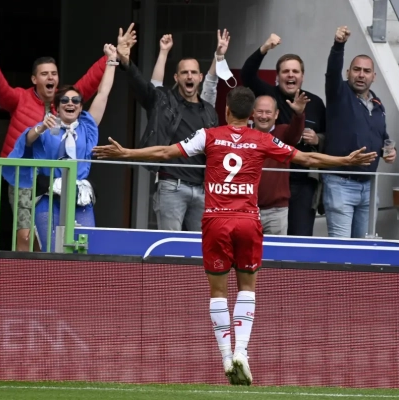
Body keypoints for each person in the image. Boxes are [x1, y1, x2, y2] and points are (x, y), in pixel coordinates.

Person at [93, 86, 377, 385]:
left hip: (216, 221)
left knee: (218, 291)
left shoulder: (209, 136)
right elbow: (305, 158)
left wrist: (126, 152)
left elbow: (165, 151)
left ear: (226, 110)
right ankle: (242, 351)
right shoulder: (262, 139)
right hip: (247, 221)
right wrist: (345, 161)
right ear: (252, 114)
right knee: (247, 288)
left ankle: (227, 357)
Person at [0, 33, 112, 251]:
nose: (50, 77)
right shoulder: (20, 98)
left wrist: (109, 59)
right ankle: (29, 270)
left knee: (56, 240)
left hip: (58, 182)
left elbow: (92, 86)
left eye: (54, 73)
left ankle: (46, 268)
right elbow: (0, 92)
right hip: (25, 176)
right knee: (26, 236)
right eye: (44, 74)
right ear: (34, 79)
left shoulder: (65, 105)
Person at [117, 25, 220, 232]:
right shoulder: (163, 101)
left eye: (193, 72)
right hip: (172, 186)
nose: (189, 76)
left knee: (200, 247)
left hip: (202, 189)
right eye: (184, 73)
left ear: (200, 77)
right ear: (176, 77)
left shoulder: (209, 111)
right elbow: (146, 88)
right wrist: (126, 62)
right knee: (170, 245)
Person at [241, 33, 327, 236]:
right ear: (277, 76)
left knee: (299, 239)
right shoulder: (269, 95)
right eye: (285, 71)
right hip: (272, 181)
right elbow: (247, 74)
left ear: (302, 76)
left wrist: (318, 139)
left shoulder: (315, 103)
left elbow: (329, 135)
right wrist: (264, 48)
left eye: (295, 71)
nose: (290, 75)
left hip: (303, 182)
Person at [322, 26, 397, 238]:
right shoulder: (339, 93)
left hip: (369, 186)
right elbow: (332, 72)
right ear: (348, 73)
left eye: (366, 71)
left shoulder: (377, 103)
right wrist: (339, 45)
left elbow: (381, 136)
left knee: (364, 247)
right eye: (356, 70)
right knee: (341, 248)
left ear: (374, 76)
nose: (361, 75)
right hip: (340, 183)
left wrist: (390, 150)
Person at [254, 94, 306, 234]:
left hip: (276, 211)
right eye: (260, 111)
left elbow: (295, 133)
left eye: (268, 112)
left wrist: (299, 114)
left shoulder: (283, 133)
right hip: (248, 210)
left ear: (276, 114)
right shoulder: (245, 134)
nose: (263, 116)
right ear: (253, 113)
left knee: (275, 249)